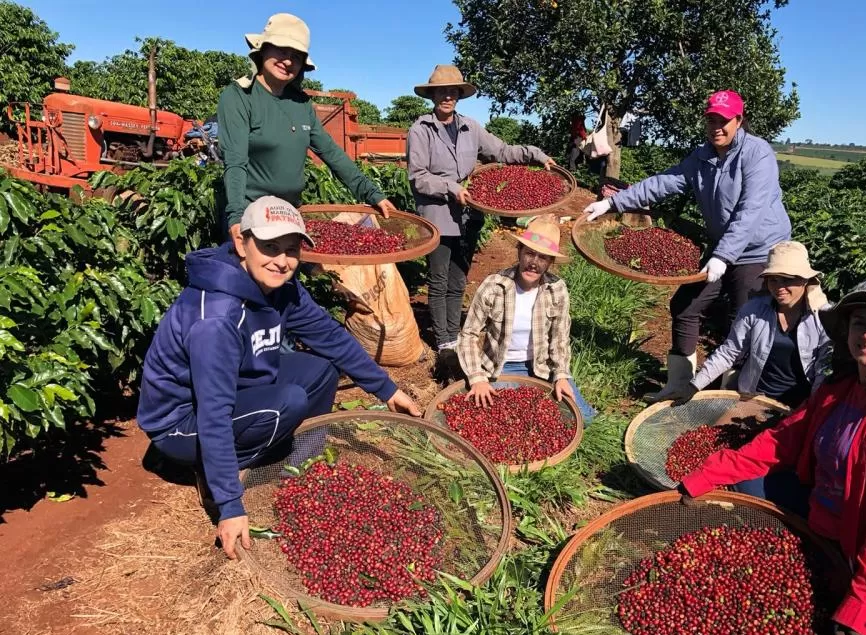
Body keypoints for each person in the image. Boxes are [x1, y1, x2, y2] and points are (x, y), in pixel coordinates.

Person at [678, 276, 866, 635]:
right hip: (822, 507)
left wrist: (863, 601)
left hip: (861, 537)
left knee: (831, 616)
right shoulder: (843, 387)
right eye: (860, 323)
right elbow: (782, 440)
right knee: (748, 487)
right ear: (846, 329)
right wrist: (707, 475)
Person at [137, 197, 421, 560]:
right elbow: (213, 411)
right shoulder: (217, 319)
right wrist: (230, 505)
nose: (282, 260)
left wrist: (387, 389)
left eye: (291, 250)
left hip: (236, 388)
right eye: (269, 247)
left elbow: (330, 337)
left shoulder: (281, 288)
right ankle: (218, 473)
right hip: (181, 424)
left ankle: (294, 460)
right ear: (242, 243)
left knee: (321, 369)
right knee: (290, 401)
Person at [583, 90, 791, 398]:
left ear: (739, 121)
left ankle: (730, 395)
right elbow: (664, 183)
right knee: (685, 305)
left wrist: (722, 256)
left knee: (743, 319)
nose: (716, 127)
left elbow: (751, 210)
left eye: (723, 120)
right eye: (711, 120)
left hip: (759, 249)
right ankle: (680, 385)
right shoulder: (702, 156)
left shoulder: (757, 154)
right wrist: (614, 204)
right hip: (724, 246)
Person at [406, 64, 555, 364]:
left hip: (468, 215)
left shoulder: (470, 127)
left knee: (459, 278)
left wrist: (536, 154)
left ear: (459, 95)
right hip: (437, 213)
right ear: (432, 95)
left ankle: (455, 333)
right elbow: (418, 176)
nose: (447, 97)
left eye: (453, 92)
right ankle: (444, 340)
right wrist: (450, 187)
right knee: (439, 278)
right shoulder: (420, 129)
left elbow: (502, 152)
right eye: (441, 92)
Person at [217, 13, 394, 244]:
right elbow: (236, 161)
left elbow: (331, 153)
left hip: (289, 214)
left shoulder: (301, 104)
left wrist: (371, 193)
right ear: (263, 50)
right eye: (281, 50)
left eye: (296, 56)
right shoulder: (239, 96)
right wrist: (237, 217)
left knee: (287, 275)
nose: (288, 61)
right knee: (249, 278)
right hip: (252, 215)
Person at [456, 214, 596, 423]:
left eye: (543, 257)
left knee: (582, 420)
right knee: (502, 421)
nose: (534, 263)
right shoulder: (495, 286)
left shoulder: (556, 290)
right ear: (519, 252)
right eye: (530, 254)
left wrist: (561, 375)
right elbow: (468, 334)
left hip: (541, 366)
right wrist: (477, 377)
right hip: (502, 367)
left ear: (550, 262)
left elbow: (560, 339)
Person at [666, 241, 832, 409]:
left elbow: (823, 371)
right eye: (773, 280)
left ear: (804, 280)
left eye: (787, 280)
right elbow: (729, 352)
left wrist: (813, 409)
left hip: (799, 405)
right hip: (755, 397)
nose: (779, 287)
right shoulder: (755, 309)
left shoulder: (823, 317)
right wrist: (694, 386)